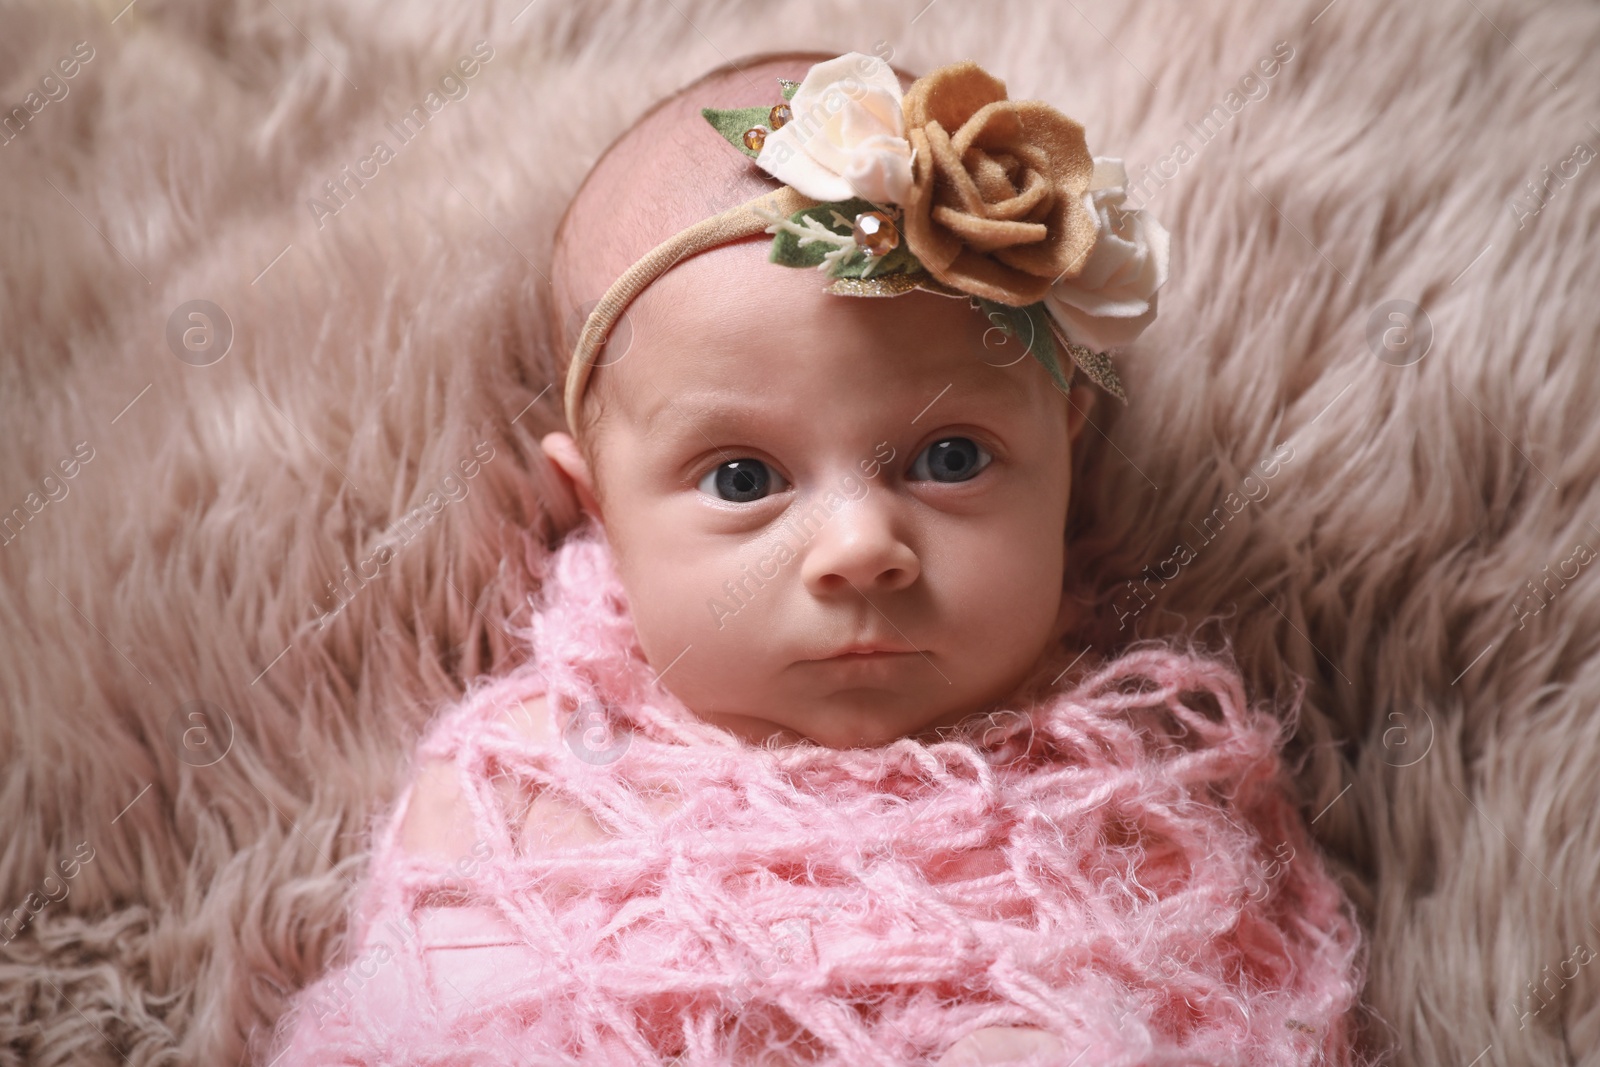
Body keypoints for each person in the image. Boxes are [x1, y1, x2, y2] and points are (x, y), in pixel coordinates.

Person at [263, 50, 1365, 1066]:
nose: (859, 548)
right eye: (744, 479)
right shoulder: (527, 788)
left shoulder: (1139, 801)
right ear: (596, 506)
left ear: (1064, 449)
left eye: (948, 455)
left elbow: (1255, 1015)